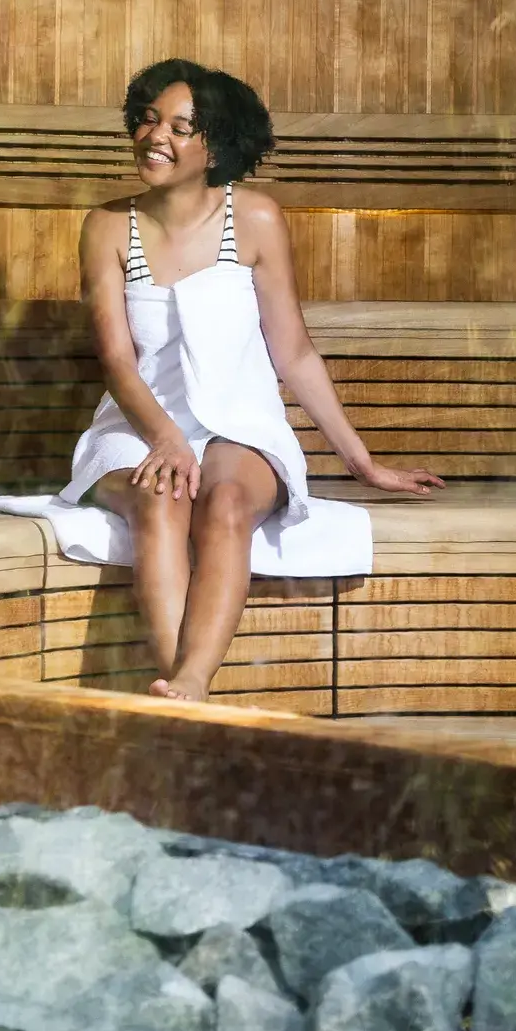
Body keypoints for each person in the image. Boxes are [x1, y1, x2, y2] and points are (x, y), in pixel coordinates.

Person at [64, 59, 442, 701]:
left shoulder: (257, 219)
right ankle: (183, 698)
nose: (158, 136)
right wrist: (165, 439)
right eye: (150, 119)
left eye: (183, 127)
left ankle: (188, 683)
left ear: (219, 145)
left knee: (227, 502)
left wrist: (362, 463)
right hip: (137, 424)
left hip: (239, 422)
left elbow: (292, 352)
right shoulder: (107, 226)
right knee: (160, 500)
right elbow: (118, 362)